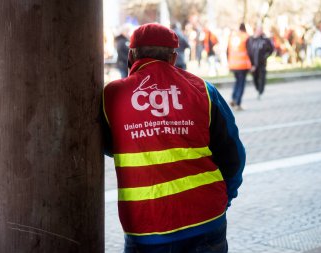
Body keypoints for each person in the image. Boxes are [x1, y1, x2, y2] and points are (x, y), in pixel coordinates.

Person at [102, 23, 245, 253]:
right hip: (207, 218)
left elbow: (109, 146)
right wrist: (223, 198)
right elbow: (233, 154)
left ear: (131, 55)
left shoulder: (113, 95)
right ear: (173, 57)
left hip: (147, 228)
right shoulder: (203, 90)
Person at [227, 23, 252, 111]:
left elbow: (227, 51)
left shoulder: (232, 37)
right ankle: (237, 103)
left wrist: (229, 63)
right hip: (242, 65)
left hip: (233, 64)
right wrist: (252, 64)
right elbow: (250, 51)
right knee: (241, 84)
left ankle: (234, 98)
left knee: (237, 82)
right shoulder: (246, 37)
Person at [247, 25, 274, 99]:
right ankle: (258, 89)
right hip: (253, 64)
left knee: (262, 77)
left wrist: (265, 56)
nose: (259, 32)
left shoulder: (265, 40)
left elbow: (271, 49)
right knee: (255, 78)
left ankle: (260, 91)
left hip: (262, 63)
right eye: (258, 30)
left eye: (260, 30)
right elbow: (248, 50)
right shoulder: (251, 39)